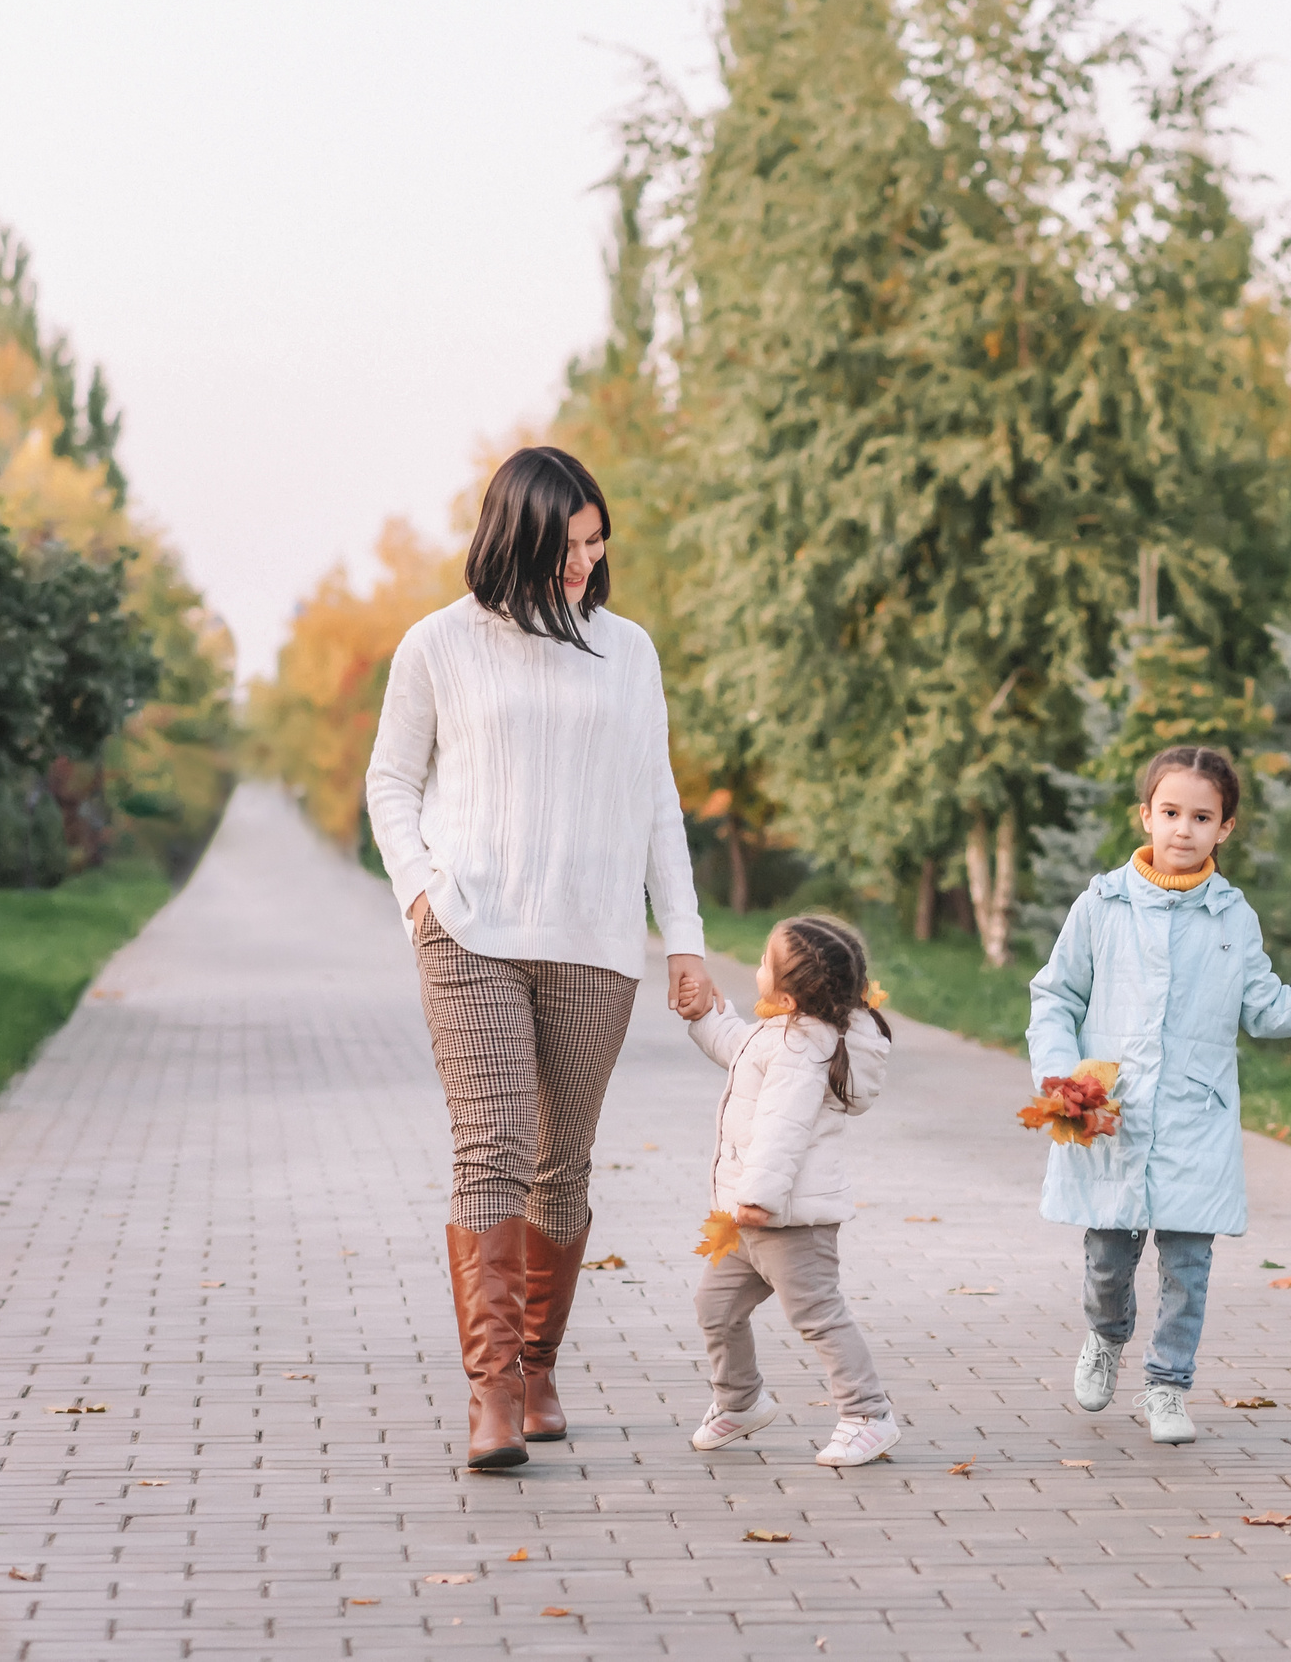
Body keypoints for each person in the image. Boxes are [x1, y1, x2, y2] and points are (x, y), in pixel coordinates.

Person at [366, 445, 719, 1470]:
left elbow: (658, 801)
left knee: (560, 1173)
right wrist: (421, 896)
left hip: (594, 940)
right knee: (492, 1153)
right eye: (567, 544)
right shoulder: (438, 644)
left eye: (597, 541)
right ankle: (490, 1396)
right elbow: (393, 781)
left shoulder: (629, 650)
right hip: (469, 931)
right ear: (513, 538)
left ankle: (537, 1363)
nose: (585, 562)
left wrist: (683, 941)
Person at [1025, 746, 1291, 1444]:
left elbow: (1269, 1010)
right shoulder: (1102, 904)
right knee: (1106, 1260)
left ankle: (1168, 1386)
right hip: (1110, 1115)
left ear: (1225, 827)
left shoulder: (1231, 918)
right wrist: (1062, 1077)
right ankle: (1106, 1334)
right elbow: (1055, 995)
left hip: (1195, 1119)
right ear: (1146, 814)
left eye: (1201, 816)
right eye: (1171, 812)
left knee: (1188, 1264)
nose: (1183, 829)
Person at [684, 914, 900, 1467]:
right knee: (716, 1306)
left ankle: (867, 1414)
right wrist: (710, 1014)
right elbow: (741, 1048)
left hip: (785, 1220)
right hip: (752, 1217)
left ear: (790, 988)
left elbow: (783, 1127)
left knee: (818, 1316)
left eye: (763, 962)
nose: (756, 968)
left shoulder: (805, 1047)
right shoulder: (789, 1032)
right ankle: (741, 1400)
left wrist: (757, 1198)